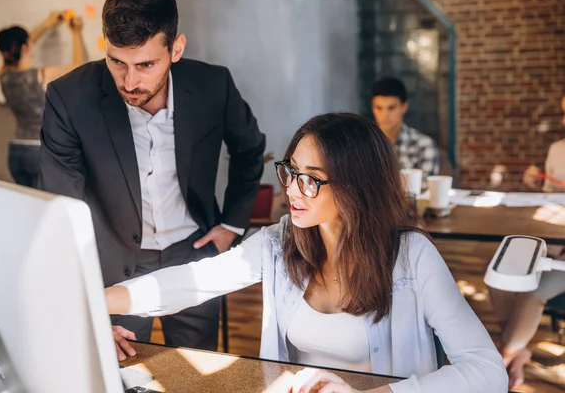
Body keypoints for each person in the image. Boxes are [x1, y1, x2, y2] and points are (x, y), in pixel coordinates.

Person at [106, 113, 507, 393]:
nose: (293, 190)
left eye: (312, 180)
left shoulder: (411, 255)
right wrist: (93, 304)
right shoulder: (282, 242)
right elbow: (194, 281)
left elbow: (487, 372)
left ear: (356, 186)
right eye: (292, 171)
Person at [39, 0, 265, 353]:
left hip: (193, 255)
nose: (129, 82)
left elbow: (250, 149)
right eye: (117, 62)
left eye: (145, 65)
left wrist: (232, 225)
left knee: (198, 376)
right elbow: (62, 210)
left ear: (176, 49)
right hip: (111, 267)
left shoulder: (213, 86)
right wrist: (87, 308)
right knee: (119, 378)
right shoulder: (69, 99)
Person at [490, 95, 565, 389]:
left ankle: (505, 358)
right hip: (551, 243)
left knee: (533, 291)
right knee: (499, 277)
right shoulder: (558, 150)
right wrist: (534, 184)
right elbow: (548, 200)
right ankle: (518, 351)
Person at [0, 11, 84, 188]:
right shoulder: (42, 76)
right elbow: (79, 68)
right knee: (49, 208)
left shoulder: (3, 75)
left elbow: (22, 47)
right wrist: (76, 32)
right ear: (25, 48)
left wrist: (47, 24)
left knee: (30, 207)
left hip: (16, 151)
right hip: (39, 152)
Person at [371, 77, 439, 185]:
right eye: (379, 108)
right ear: (373, 109)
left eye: (391, 108)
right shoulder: (364, 144)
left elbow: (425, 187)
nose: (385, 115)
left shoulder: (423, 144)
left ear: (404, 107)